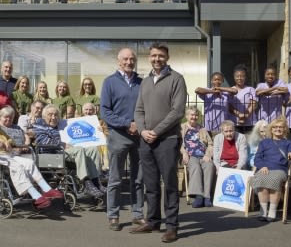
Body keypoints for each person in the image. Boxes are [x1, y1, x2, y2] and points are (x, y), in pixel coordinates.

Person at [131, 43, 186, 243]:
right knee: (150, 183)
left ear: (167, 57)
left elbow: (177, 112)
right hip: (146, 140)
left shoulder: (176, 79)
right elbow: (138, 110)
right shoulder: (145, 82)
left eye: (161, 56)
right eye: (154, 56)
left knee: (170, 184)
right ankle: (153, 221)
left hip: (167, 140)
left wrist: (156, 131)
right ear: (149, 58)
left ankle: (172, 227)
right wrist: (143, 130)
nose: (157, 59)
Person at [0, 102, 63, 209]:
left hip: (3, 155)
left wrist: (8, 143)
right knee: (16, 166)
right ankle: (36, 196)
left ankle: (46, 189)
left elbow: (8, 138)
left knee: (29, 163)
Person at [100, 47, 144, 231]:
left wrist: (139, 125)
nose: (129, 62)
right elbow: (105, 111)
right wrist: (127, 124)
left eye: (132, 59)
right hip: (118, 135)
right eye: (125, 59)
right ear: (119, 61)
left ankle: (138, 214)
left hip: (139, 136)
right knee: (116, 178)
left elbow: (147, 107)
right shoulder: (109, 82)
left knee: (138, 178)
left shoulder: (142, 82)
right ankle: (113, 215)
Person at [31, 104, 104, 199]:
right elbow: (43, 142)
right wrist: (61, 144)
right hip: (53, 155)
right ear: (44, 116)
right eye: (50, 115)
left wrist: (97, 130)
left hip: (68, 152)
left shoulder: (62, 125)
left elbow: (82, 131)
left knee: (93, 149)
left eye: (56, 115)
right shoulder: (39, 125)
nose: (53, 117)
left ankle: (95, 181)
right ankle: (86, 182)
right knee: (79, 150)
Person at [252, 117, 291, 222]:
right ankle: (263, 211)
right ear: (271, 129)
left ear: (285, 129)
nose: (278, 129)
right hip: (264, 168)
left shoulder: (289, 143)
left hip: (280, 169)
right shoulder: (264, 143)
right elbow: (257, 158)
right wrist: (262, 166)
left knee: (274, 179)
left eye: (281, 127)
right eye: (275, 127)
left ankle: (272, 211)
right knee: (260, 180)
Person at [180, 106, 215, 208]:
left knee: (209, 166)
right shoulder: (182, 128)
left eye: (196, 115)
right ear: (187, 116)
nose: (194, 117)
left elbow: (210, 144)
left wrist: (208, 155)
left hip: (203, 155)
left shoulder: (202, 129)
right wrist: (184, 153)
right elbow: (179, 144)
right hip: (191, 155)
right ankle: (198, 196)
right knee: (195, 167)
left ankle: (207, 197)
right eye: (192, 115)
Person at [228, 65, 257, 134]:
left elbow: (253, 104)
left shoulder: (250, 89)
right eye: (237, 76)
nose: (240, 78)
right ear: (234, 77)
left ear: (245, 77)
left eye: (242, 76)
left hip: (250, 122)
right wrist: (239, 114)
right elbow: (229, 106)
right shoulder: (230, 90)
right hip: (235, 122)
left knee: (250, 143)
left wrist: (245, 115)